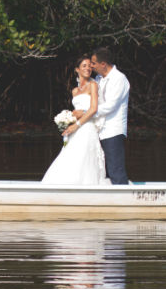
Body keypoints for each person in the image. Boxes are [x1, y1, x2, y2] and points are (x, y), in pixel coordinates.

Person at [42, 56, 108, 185]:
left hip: (86, 127)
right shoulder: (75, 91)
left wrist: (76, 124)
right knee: (70, 158)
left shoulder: (93, 85)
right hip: (75, 129)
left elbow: (93, 109)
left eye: (89, 65)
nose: (88, 68)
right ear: (77, 69)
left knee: (83, 158)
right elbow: (77, 112)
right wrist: (69, 120)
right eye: (84, 66)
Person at [90, 46, 129, 185]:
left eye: (93, 63)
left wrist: (88, 113)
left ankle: (124, 199)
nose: (91, 66)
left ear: (103, 64)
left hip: (113, 130)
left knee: (115, 169)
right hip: (99, 129)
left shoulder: (119, 79)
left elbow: (110, 106)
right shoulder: (99, 78)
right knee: (102, 170)